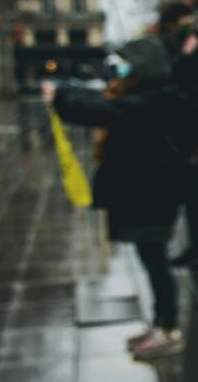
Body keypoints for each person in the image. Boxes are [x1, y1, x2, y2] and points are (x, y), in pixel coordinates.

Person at [45, 38, 189, 359]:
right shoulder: (143, 93)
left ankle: (169, 330)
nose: (121, 69)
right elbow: (106, 103)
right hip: (145, 190)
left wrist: (62, 97)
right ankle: (160, 323)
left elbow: (108, 111)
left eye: (127, 63)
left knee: (156, 261)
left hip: (155, 192)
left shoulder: (160, 98)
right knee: (151, 259)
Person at [155, 3, 198, 275]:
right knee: (192, 198)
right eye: (183, 22)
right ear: (170, 24)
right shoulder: (167, 49)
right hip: (179, 136)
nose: (188, 27)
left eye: (190, 21)